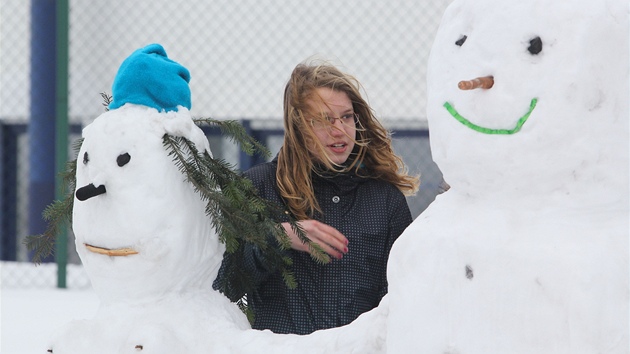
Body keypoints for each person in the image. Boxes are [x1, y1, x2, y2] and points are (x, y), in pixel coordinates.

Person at [214, 61, 419, 335]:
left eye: (346, 117)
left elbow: (404, 297)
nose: (339, 130)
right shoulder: (258, 187)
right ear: (299, 127)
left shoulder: (384, 200)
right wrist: (278, 237)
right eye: (324, 120)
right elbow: (223, 284)